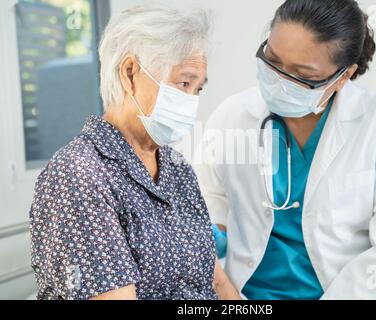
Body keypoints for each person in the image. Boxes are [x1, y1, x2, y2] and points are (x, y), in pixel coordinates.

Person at [197, 0, 376, 299]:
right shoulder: (231, 116)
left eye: (302, 73)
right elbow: (212, 202)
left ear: (343, 76)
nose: (280, 79)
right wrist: (212, 234)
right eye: (273, 60)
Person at [29, 3, 238, 300]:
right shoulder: (79, 174)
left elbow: (217, 282)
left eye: (198, 89)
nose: (191, 101)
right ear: (129, 74)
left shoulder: (177, 168)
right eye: (183, 83)